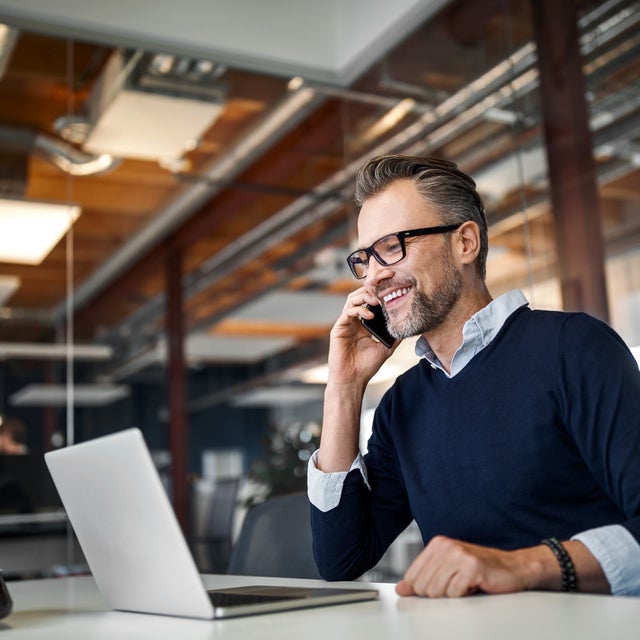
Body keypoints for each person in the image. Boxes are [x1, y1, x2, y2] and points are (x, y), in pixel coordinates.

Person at [307, 154, 640, 598]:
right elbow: (340, 560)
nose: (375, 275)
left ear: (465, 243)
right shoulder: (402, 405)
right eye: (365, 258)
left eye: (392, 246)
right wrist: (344, 388)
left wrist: (523, 566)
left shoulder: (573, 348)